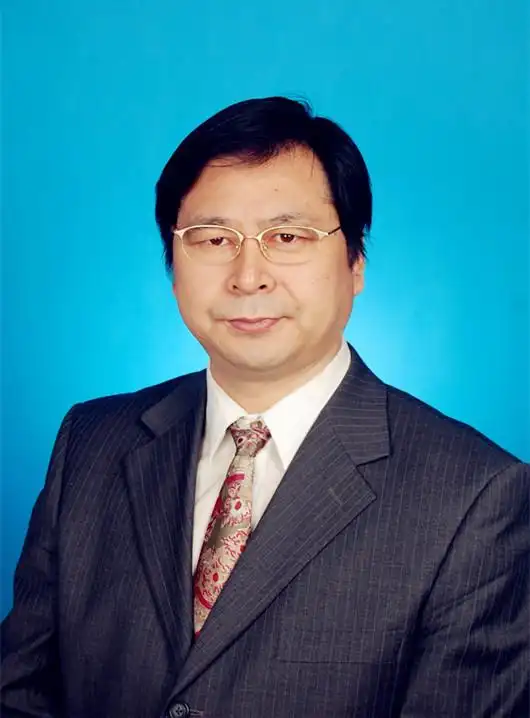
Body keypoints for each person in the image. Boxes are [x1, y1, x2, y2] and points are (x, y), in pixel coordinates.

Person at [1, 96, 528, 718]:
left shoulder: (475, 496)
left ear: (356, 261)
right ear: (173, 265)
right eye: (212, 238)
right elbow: (21, 694)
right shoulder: (91, 442)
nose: (248, 275)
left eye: (287, 236)